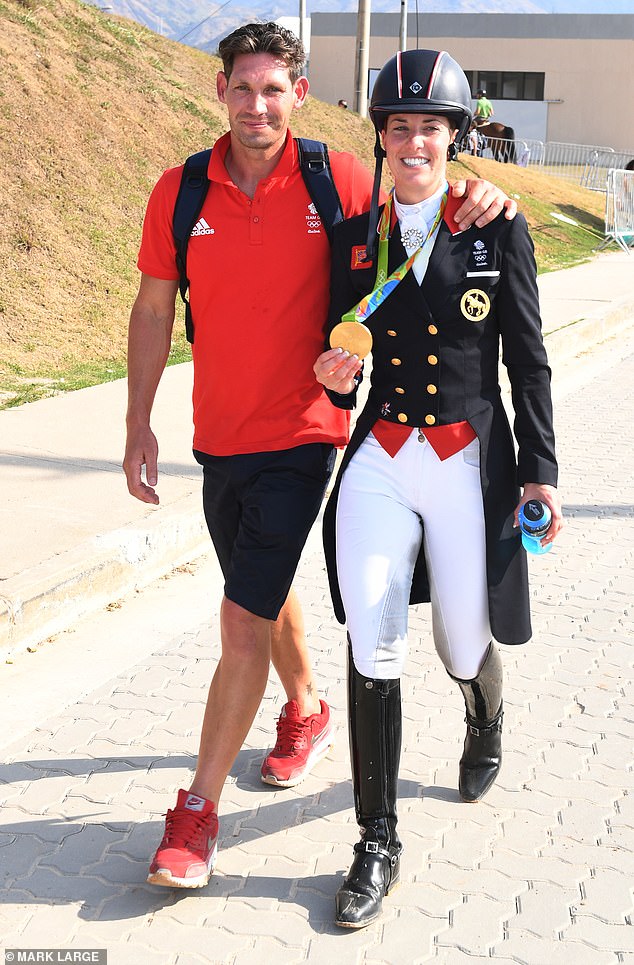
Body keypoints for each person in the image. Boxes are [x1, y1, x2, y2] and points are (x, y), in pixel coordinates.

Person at [123, 23, 517, 891]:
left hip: (308, 434)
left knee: (238, 621)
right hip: (216, 435)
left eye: (275, 90)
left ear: (300, 95)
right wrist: (137, 422)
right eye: (242, 88)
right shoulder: (181, 190)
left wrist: (484, 193)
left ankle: (196, 815)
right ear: (219, 90)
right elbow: (153, 310)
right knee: (254, 597)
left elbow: (425, 197)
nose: (257, 105)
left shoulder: (336, 177)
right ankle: (305, 710)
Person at [314, 48, 562, 929]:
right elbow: (334, 370)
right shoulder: (353, 241)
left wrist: (542, 470)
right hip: (381, 458)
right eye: (398, 126)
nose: (414, 140)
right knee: (373, 640)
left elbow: (528, 361)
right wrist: (334, 374)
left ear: (454, 137)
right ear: (381, 138)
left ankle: (482, 713)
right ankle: (375, 839)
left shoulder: (499, 229)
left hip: (466, 462)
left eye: (430, 126)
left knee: (464, 642)